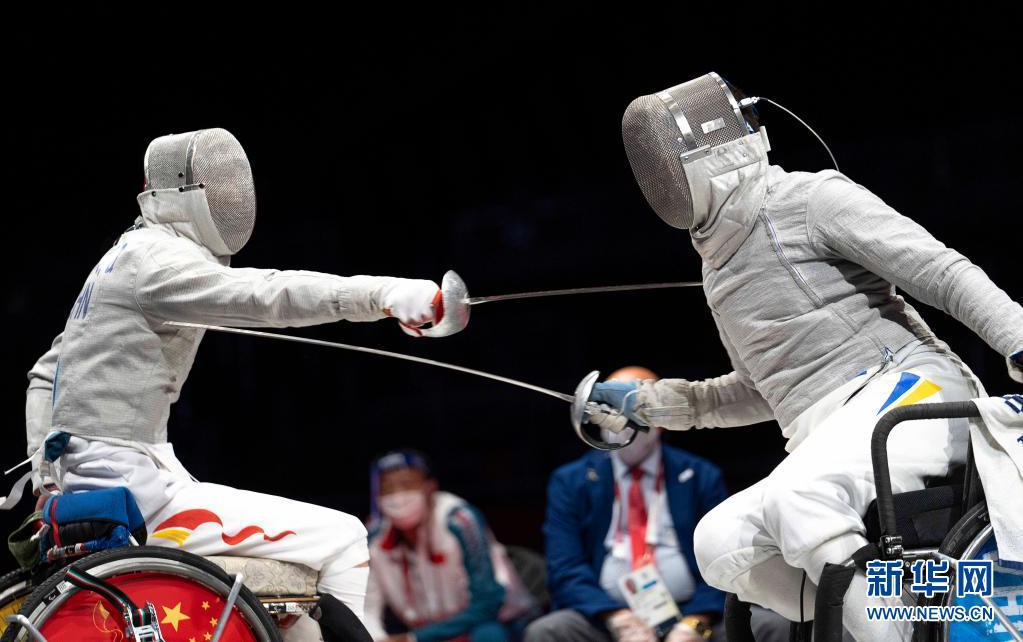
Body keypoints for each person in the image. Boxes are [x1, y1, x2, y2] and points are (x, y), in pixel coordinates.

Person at [585, 73, 1023, 640]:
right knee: (720, 541)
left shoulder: (810, 198)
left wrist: (1017, 336)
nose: (659, 177)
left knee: (800, 497)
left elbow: (940, 271)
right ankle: (902, 614)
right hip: (824, 434)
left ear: (708, 154)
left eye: (665, 160)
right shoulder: (717, 268)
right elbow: (760, 390)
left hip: (905, 388)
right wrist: (653, 404)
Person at [19, 128, 446, 625]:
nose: (235, 201)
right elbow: (268, 294)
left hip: (114, 480)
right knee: (344, 537)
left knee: (291, 603)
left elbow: (46, 372)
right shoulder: (155, 261)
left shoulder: (121, 257)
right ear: (185, 196)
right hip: (136, 493)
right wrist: (384, 295)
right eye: (220, 190)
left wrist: (48, 477)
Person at [524, 367, 788, 642]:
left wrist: (695, 624)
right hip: (606, 618)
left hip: (694, 614)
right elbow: (565, 568)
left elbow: (726, 558)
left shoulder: (699, 475)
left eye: (629, 408)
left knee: (773, 628)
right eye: (608, 408)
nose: (619, 421)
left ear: (660, 418)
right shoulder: (571, 481)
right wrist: (618, 619)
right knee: (547, 632)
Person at [363, 450, 536, 641]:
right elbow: (367, 607)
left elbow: (488, 603)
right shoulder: (373, 535)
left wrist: (414, 638)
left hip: (494, 623)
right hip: (427, 634)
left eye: (407, 484)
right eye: (387, 488)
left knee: (488, 634)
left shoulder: (461, 520)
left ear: (430, 487)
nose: (398, 496)